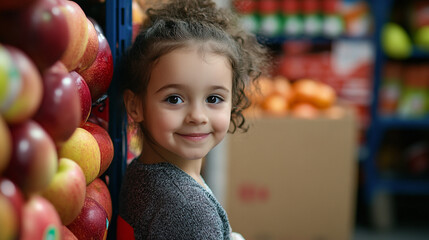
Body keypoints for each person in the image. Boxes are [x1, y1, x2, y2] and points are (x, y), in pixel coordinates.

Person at [118, 0, 269, 239]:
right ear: (135, 105)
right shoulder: (190, 210)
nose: (197, 116)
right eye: (174, 99)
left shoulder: (141, 174)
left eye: (213, 98)